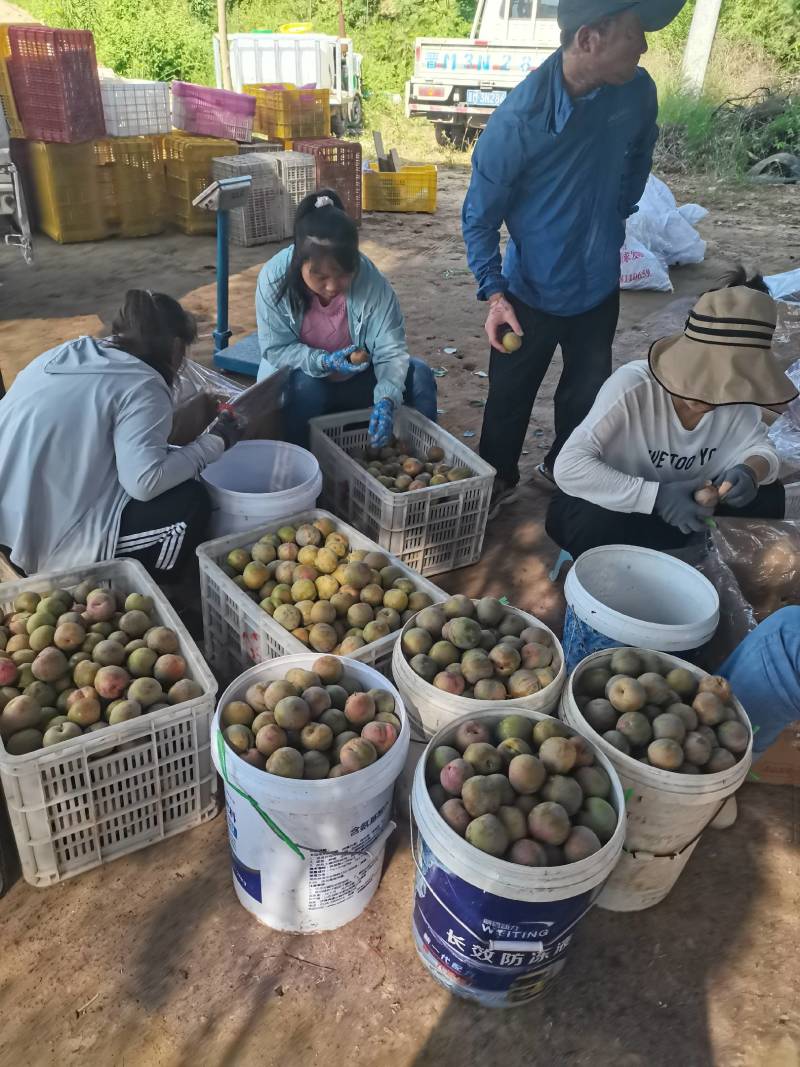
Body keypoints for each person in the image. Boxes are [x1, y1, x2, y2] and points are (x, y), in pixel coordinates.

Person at [462, 0, 686, 514]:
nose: (645, 45)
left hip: (598, 286)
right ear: (589, 39)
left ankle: (566, 472)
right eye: (634, 32)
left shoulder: (636, 92)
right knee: (508, 400)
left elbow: (640, 152)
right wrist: (495, 294)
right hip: (529, 292)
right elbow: (478, 217)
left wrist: (617, 211)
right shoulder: (519, 121)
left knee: (587, 397)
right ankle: (497, 483)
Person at [546, 274, 797, 557]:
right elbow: (568, 468)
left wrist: (750, 471)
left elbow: (761, 449)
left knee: (768, 497)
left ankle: (694, 558)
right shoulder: (635, 385)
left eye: (724, 385)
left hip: (689, 512)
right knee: (594, 522)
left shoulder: (739, 400)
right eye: (700, 378)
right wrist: (657, 497)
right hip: (617, 509)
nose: (709, 396)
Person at [0, 290, 242, 579]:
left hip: (8, 517)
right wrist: (216, 442)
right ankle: (148, 588)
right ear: (176, 347)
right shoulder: (143, 385)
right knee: (189, 504)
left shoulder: (66, 353)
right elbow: (145, 482)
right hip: (39, 540)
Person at [255, 189, 438, 449]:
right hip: (303, 388)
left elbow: (390, 350)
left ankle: (424, 455)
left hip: (356, 383)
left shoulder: (372, 283)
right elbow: (276, 349)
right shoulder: (274, 279)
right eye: (320, 276)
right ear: (299, 261)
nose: (331, 286)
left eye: (342, 274)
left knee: (419, 374)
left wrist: (386, 400)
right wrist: (323, 361)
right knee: (308, 387)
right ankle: (299, 460)